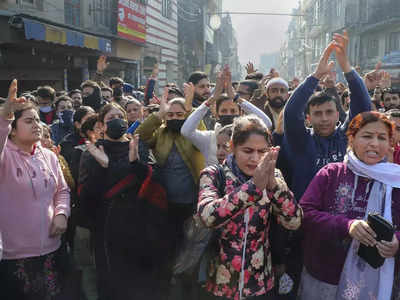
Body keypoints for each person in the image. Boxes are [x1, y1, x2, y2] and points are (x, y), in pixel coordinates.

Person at [197, 115, 302, 300]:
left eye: (262, 152)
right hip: (219, 284)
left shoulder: (274, 175)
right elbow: (207, 216)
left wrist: (275, 188)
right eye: (248, 150)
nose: (255, 158)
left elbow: (294, 221)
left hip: (260, 283)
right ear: (232, 147)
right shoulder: (213, 175)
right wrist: (252, 188)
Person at [299, 111, 400, 299]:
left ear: (389, 145)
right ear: (351, 139)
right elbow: (304, 213)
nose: (374, 143)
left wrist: (396, 241)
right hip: (325, 278)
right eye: (367, 136)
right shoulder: (331, 173)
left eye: (381, 138)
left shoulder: (396, 181)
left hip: (376, 283)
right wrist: (347, 225)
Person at [78, 102, 171, 300]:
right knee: (111, 279)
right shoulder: (92, 153)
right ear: (101, 126)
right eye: (110, 119)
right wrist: (102, 165)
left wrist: (129, 164)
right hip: (106, 225)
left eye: (119, 117)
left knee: (140, 279)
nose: (116, 122)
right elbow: (87, 194)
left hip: (139, 222)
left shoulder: (138, 145)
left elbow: (153, 179)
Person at [0, 80, 70, 299]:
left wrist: (61, 214)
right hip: (14, 256)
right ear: (11, 131)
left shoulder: (48, 156)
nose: (37, 125)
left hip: (52, 249)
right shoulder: (5, 157)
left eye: (38, 120)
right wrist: (5, 116)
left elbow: (62, 191)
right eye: (29, 121)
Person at [283, 31, 371, 201]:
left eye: (329, 112)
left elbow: (362, 106)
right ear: (307, 118)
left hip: (344, 219)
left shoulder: (347, 137)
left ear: (338, 114)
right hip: (308, 219)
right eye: (317, 113)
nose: (324, 118)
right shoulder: (301, 142)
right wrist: (315, 76)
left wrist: (346, 66)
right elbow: (291, 113)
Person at [181, 74, 272, 166]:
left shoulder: (248, 137)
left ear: (240, 113)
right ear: (216, 114)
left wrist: (237, 98)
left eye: (233, 111)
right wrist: (211, 99)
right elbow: (186, 131)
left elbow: (267, 123)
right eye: (224, 111)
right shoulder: (209, 138)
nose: (229, 114)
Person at [41, 124, 75, 191]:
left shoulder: (59, 158)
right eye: (46, 136)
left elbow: (70, 184)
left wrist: (56, 161)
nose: (51, 141)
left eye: (48, 137)